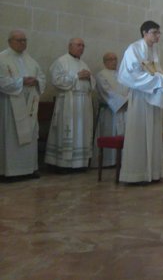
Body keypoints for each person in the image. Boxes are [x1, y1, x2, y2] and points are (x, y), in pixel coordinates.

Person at [117, 21, 163, 183]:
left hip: (152, 97)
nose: (157, 36)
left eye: (158, 33)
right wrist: (158, 81)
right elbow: (131, 74)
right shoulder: (134, 49)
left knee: (153, 132)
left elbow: (156, 71)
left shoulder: (154, 51)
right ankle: (136, 174)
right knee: (138, 133)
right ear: (144, 32)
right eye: (154, 32)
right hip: (140, 97)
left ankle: (152, 172)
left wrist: (162, 80)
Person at [0, 30, 46, 180]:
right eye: (19, 40)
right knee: (11, 136)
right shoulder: (2, 58)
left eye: (24, 40)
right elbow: (2, 81)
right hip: (11, 103)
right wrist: (22, 81)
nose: (22, 43)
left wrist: (37, 81)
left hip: (29, 103)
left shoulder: (30, 60)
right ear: (10, 41)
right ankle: (10, 171)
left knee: (30, 135)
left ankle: (29, 169)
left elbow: (42, 77)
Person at [45, 38, 94, 171]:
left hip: (83, 103)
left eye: (83, 45)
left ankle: (80, 163)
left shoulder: (83, 63)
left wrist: (89, 77)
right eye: (78, 45)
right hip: (68, 102)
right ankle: (63, 164)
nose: (81, 48)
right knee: (68, 130)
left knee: (82, 131)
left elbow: (92, 84)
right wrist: (77, 76)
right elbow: (56, 80)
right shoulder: (61, 61)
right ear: (70, 46)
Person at [93, 52, 128, 167]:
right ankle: (108, 161)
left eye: (115, 59)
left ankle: (122, 160)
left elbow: (128, 90)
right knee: (109, 133)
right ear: (105, 62)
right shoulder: (101, 75)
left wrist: (127, 100)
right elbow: (106, 92)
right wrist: (122, 102)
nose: (114, 61)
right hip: (109, 111)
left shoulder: (121, 75)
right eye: (110, 59)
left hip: (123, 109)